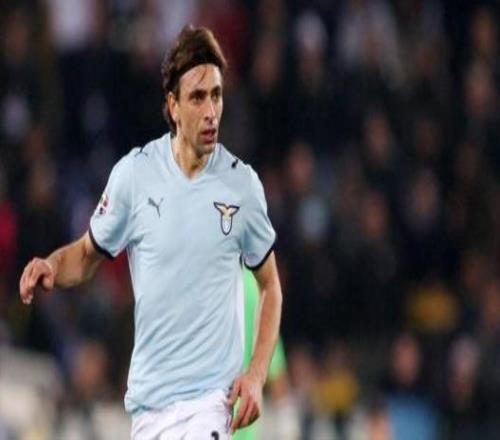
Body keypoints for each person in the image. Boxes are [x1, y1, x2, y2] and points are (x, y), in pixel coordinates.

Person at [18, 25, 282, 439]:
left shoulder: (241, 187)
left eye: (216, 95)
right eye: (197, 97)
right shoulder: (135, 176)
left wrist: (256, 374)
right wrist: (52, 265)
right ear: (173, 105)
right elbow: (86, 255)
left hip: (210, 406)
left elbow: (271, 287)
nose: (211, 111)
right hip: (149, 411)